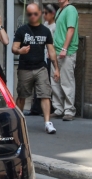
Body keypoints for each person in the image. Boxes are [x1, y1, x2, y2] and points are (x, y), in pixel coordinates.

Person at [12, 3, 60, 134]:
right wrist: (20, 51)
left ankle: (47, 123)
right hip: (25, 68)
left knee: (45, 94)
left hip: (40, 67)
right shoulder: (22, 30)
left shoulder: (45, 31)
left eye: (35, 13)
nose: (32, 16)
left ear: (40, 13)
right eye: (29, 14)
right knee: (22, 96)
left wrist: (56, 68)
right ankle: (18, 122)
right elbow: (13, 48)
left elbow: (51, 51)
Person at [26, 3, 59, 116]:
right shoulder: (44, 25)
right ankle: (36, 108)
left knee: (45, 85)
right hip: (41, 56)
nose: (44, 15)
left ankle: (49, 108)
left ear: (53, 14)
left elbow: (53, 44)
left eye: (46, 13)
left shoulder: (55, 26)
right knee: (38, 84)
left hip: (48, 57)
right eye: (43, 12)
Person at [50, 0, 79, 121]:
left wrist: (64, 48)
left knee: (67, 81)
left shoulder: (71, 9)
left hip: (66, 51)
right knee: (55, 80)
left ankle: (69, 111)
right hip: (56, 51)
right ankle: (58, 109)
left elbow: (71, 29)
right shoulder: (59, 11)